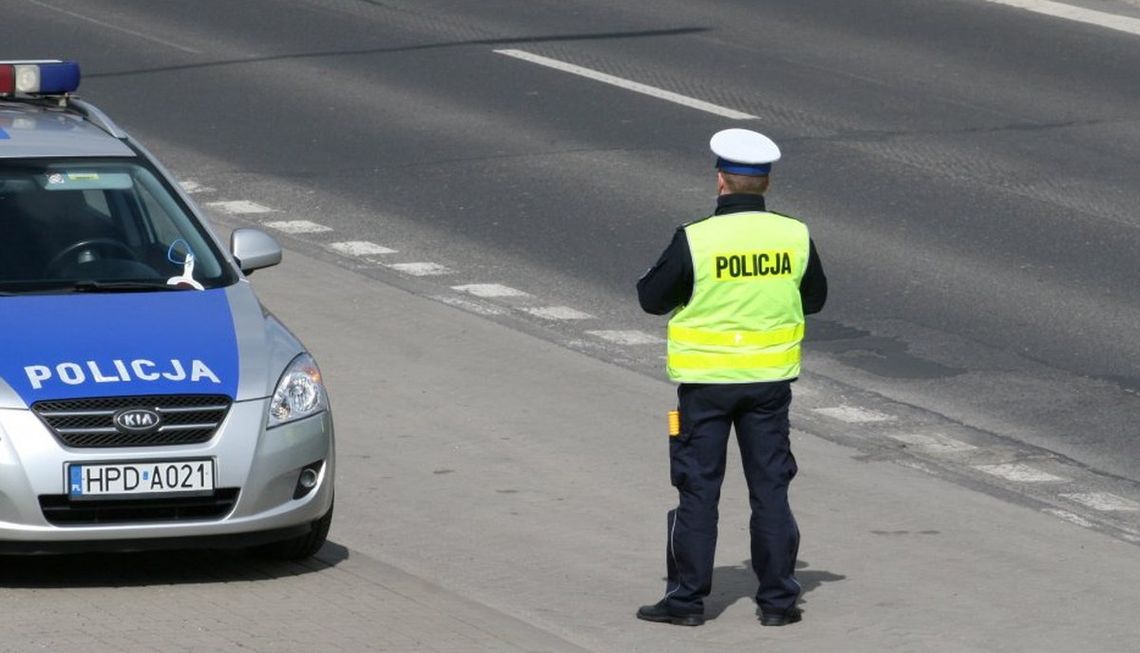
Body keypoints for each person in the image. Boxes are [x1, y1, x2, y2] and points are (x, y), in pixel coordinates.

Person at [635, 128, 827, 627]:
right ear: (765, 184)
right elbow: (815, 298)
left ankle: (686, 603)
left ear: (721, 180)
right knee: (771, 489)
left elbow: (651, 298)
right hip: (769, 385)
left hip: (706, 387)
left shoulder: (696, 237)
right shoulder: (794, 235)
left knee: (698, 489)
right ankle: (779, 605)